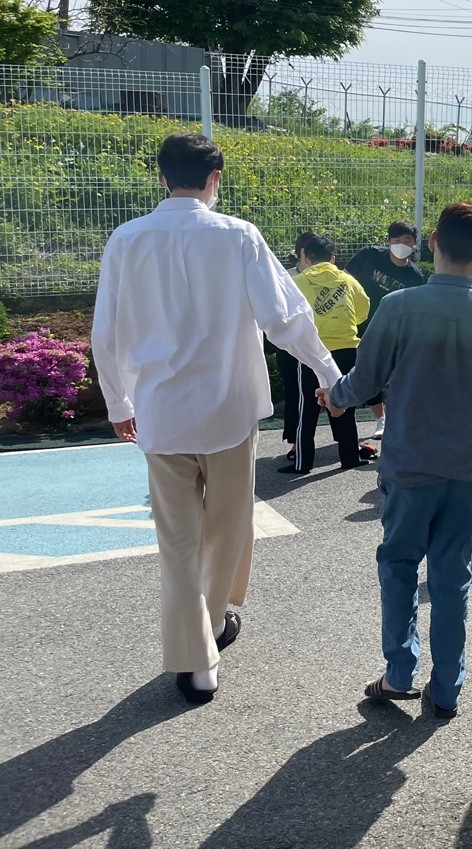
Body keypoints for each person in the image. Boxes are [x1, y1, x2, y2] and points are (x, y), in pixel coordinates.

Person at [91, 133, 340, 704]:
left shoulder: (126, 239)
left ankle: (198, 662)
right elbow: (285, 319)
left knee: (177, 543)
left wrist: (118, 403)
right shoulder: (238, 236)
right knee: (229, 528)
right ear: (215, 180)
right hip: (228, 409)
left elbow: (107, 332)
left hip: (160, 415)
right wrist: (328, 373)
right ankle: (217, 620)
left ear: (161, 178)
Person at [322, 203, 472, 720]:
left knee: (399, 565)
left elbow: (365, 378)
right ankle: (447, 687)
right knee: (452, 578)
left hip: (409, 462)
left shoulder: (399, 306)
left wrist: (335, 396)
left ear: (431, 243)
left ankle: (399, 671)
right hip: (465, 467)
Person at [288, 235, 373, 474]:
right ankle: (350, 458)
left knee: (307, 408)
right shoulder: (348, 280)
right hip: (347, 348)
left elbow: (287, 315)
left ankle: (302, 463)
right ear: (333, 259)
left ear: (305, 258)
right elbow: (363, 310)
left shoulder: (297, 282)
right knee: (345, 404)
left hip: (312, 351)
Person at [345, 221, 425, 439]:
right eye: (396, 240)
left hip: (389, 332)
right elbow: (344, 281)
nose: (401, 245)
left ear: (415, 244)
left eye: (407, 241)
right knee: (360, 371)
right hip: (355, 325)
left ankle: (386, 419)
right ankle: (362, 418)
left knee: (387, 375)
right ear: (388, 241)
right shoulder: (369, 256)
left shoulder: (415, 277)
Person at [274, 231, 322, 464]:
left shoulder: (331, 277)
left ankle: (346, 444)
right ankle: (295, 442)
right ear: (302, 254)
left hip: (318, 344)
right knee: (295, 392)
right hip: (290, 346)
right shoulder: (286, 277)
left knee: (322, 392)